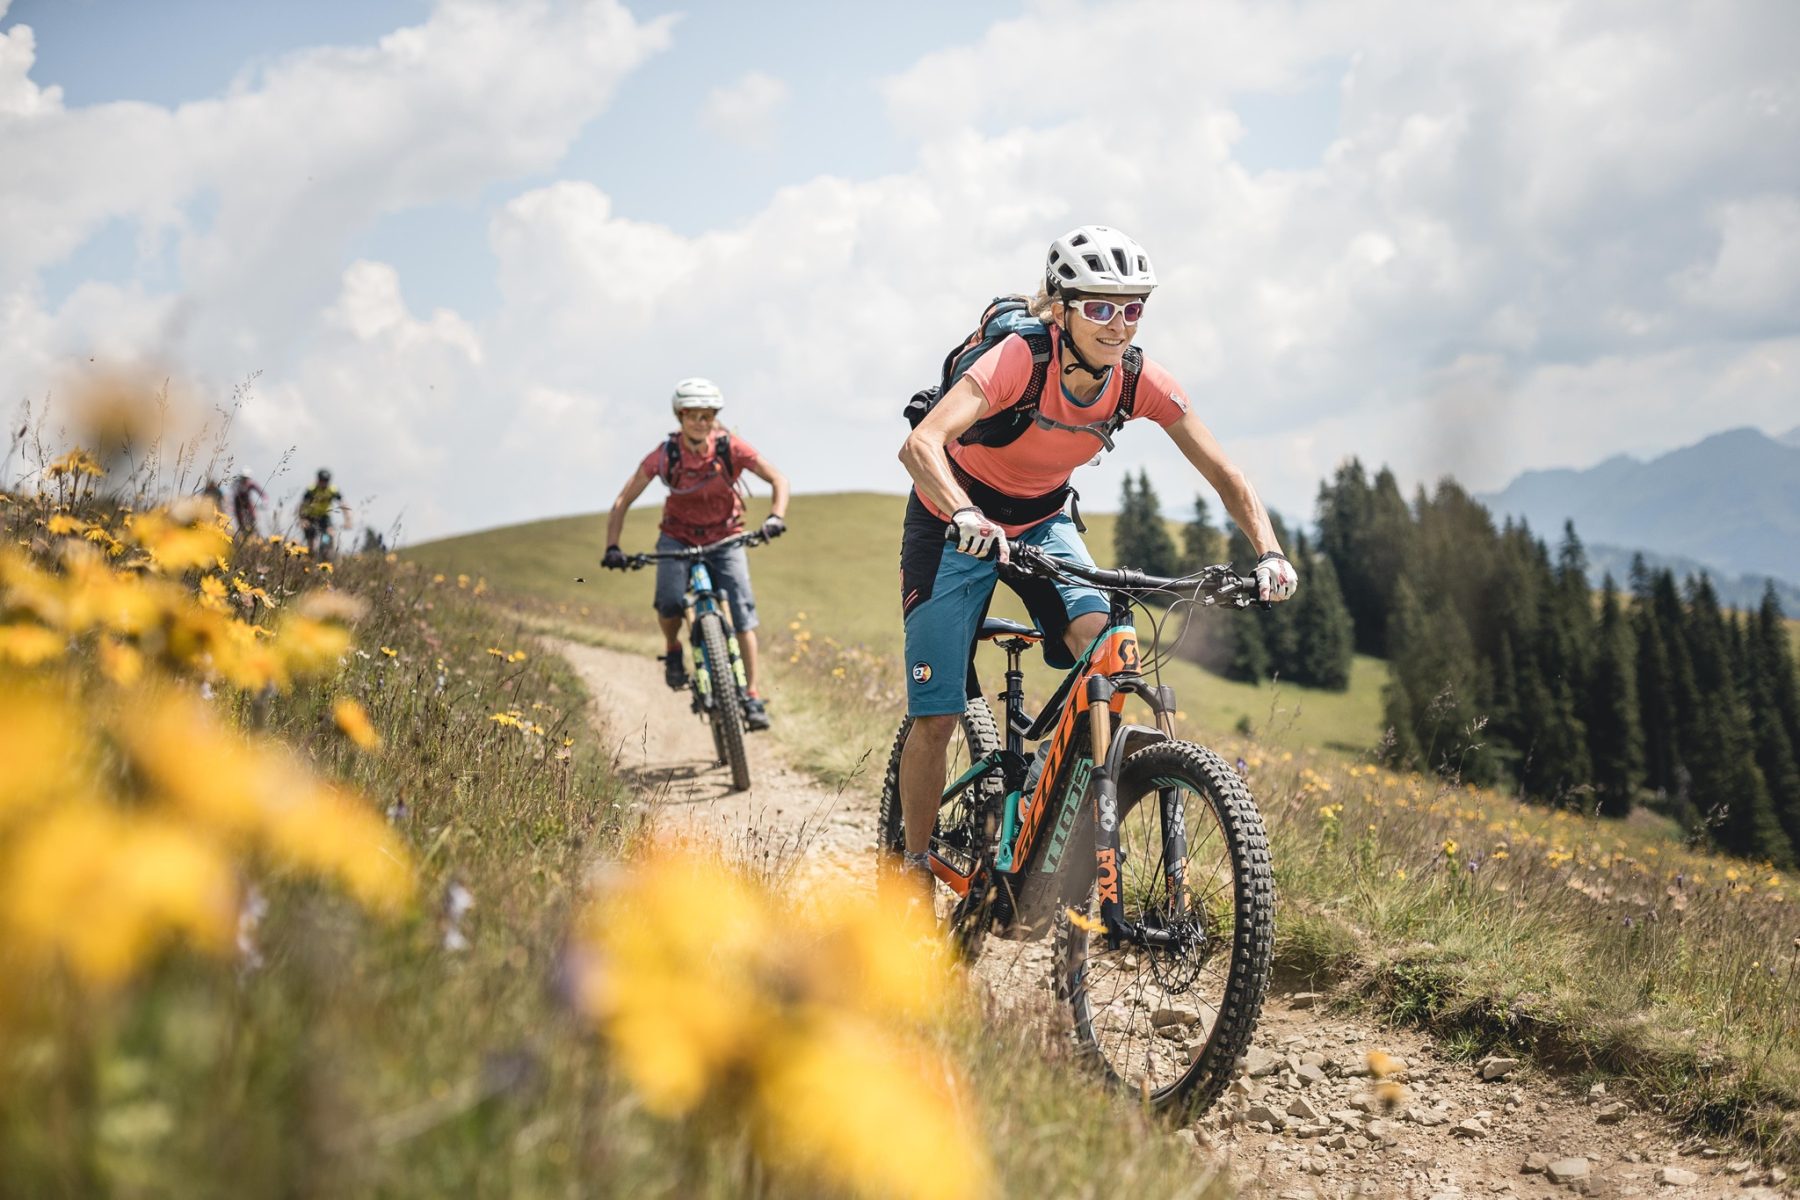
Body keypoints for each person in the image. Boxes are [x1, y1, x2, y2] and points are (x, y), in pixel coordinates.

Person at [894, 225, 1299, 887]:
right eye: (1101, 307)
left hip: (1043, 520)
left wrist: (1270, 553)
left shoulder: (1138, 379)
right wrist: (965, 514)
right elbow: (923, 444)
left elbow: (1226, 472)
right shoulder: (1020, 361)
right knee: (937, 715)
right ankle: (911, 867)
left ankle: (1056, 812)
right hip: (951, 523)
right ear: (1064, 307)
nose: (1119, 325)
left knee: (1106, 643)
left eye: (1133, 308)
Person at [601, 378, 790, 732]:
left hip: (726, 536)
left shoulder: (729, 447)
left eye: (707, 415)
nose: (700, 422)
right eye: (692, 416)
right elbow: (622, 501)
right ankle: (673, 649)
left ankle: (751, 694)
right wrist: (613, 546)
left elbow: (778, 478)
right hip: (676, 538)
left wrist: (775, 516)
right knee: (670, 603)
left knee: (743, 613)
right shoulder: (665, 455)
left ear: (714, 417)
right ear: (680, 416)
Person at [299, 468, 352, 559]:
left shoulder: (332, 490)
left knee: (329, 535)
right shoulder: (311, 490)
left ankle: (326, 552)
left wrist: (348, 520)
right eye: (321, 480)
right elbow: (302, 505)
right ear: (317, 480)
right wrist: (303, 520)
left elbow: (344, 505)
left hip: (324, 517)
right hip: (310, 517)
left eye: (326, 481)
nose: (323, 483)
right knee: (311, 545)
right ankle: (310, 561)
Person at [230, 473, 267, 538]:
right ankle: (243, 532)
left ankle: (254, 528)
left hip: (247, 501)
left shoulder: (250, 484)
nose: (245, 480)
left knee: (253, 515)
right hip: (238, 503)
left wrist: (264, 500)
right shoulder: (237, 483)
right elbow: (232, 492)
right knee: (240, 520)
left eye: (247, 478)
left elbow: (260, 491)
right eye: (243, 478)